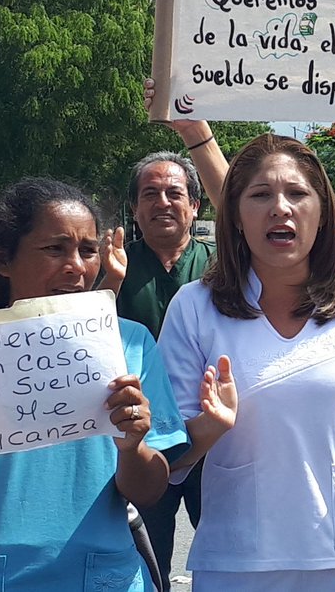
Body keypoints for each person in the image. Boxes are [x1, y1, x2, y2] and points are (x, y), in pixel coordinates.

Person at [156, 133, 335, 590]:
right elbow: (167, 456)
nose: (280, 208)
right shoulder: (194, 306)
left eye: (297, 194)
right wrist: (211, 425)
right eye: (260, 195)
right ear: (235, 217)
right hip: (237, 564)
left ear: (322, 213)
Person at [0, 178, 190, 592]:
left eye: (88, 251)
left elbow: (150, 490)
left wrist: (134, 446)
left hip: (103, 577)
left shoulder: (131, 344)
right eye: (55, 249)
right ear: (3, 259)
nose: (76, 266)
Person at [103, 151, 216, 592]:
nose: (162, 203)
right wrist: (111, 283)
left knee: (225, 553)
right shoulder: (113, 266)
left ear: (195, 207)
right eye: (150, 194)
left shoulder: (223, 268)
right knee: (147, 560)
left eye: (175, 193)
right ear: (135, 208)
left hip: (214, 438)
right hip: (141, 442)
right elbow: (82, 337)